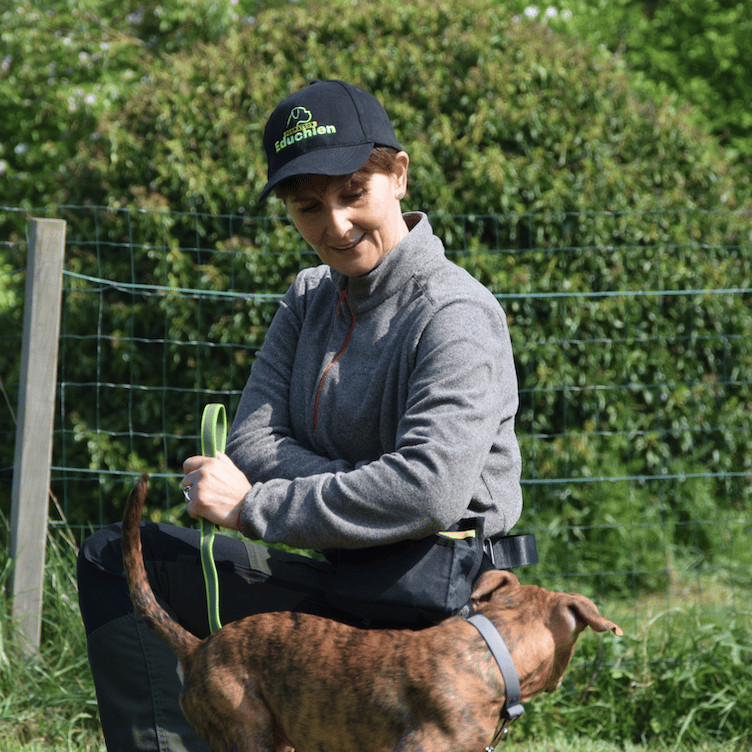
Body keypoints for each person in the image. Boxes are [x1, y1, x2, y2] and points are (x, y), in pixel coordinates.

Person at [77, 79, 525, 752]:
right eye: (308, 206)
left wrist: (257, 507)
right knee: (114, 558)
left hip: (434, 596)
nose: (335, 225)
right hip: (331, 566)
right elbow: (254, 441)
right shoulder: (310, 297)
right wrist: (355, 488)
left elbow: (428, 492)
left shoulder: (455, 314)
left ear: (397, 175)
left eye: (353, 194)